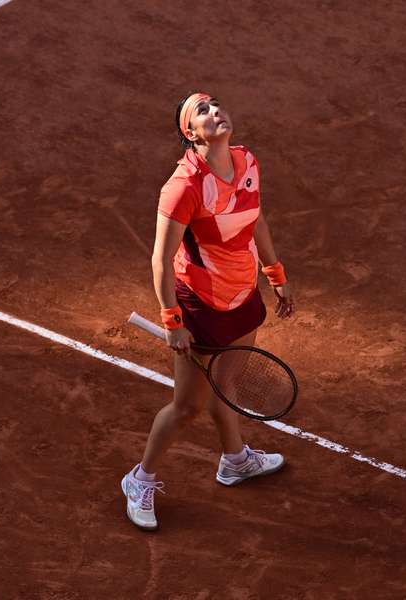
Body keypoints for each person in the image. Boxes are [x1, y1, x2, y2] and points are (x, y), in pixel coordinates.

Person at [121, 92, 295, 530]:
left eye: (216, 104)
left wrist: (274, 273)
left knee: (227, 384)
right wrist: (172, 318)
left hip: (242, 292)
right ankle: (139, 479)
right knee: (187, 407)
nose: (214, 111)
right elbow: (161, 259)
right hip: (200, 304)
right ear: (189, 133)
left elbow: (256, 221)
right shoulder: (184, 186)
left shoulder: (247, 163)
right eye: (202, 111)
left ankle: (235, 460)